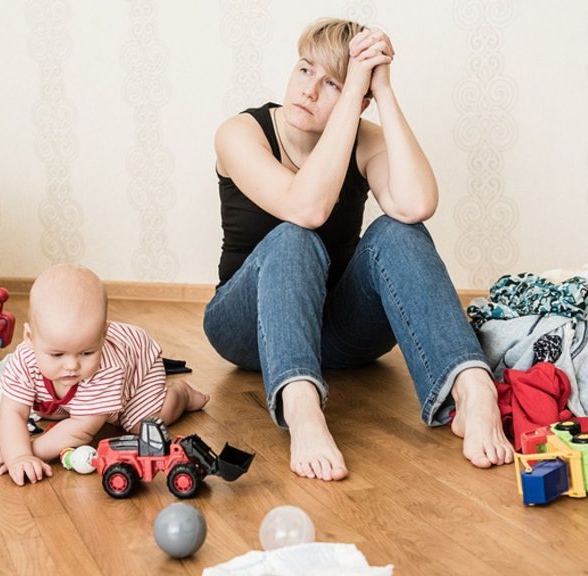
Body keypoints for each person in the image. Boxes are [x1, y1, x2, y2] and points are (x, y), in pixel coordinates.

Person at [204, 18, 514, 482]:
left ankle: (472, 390)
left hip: (344, 332)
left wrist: (383, 92)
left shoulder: (365, 137)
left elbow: (416, 204)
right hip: (249, 329)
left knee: (399, 229)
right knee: (294, 236)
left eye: (332, 83)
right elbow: (304, 208)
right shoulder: (240, 133)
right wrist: (351, 92)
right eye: (305, 70)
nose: (308, 91)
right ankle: (303, 411)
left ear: (360, 97)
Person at [0, 264, 209, 485]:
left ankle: (182, 395)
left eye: (86, 352)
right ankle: (85, 400)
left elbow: (79, 430)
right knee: (51, 410)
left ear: (103, 335)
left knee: (139, 424)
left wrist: (28, 454)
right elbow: (12, 411)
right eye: (57, 354)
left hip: (137, 368)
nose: (72, 366)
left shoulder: (106, 369)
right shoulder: (24, 360)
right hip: (90, 387)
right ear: (30, 337)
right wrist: (16, 454)